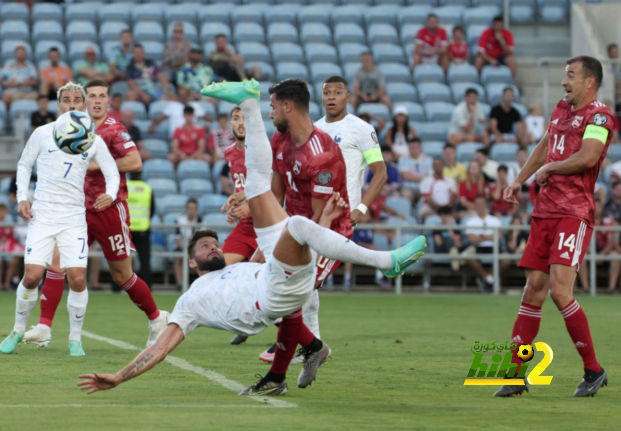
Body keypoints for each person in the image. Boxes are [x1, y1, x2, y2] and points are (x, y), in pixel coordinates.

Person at [77, 78, 426, 397]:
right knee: (295, 231)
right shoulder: (188, 303)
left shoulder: (238, 267)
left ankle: (249, 103)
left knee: (264, 193)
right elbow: (159, 348)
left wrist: (284, 234)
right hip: (273, 294)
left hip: (279, 276)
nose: (213, 245)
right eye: (204, 246)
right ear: (192, 262)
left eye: (214, 242)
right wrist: (119, 377)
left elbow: (269, 223)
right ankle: (383, 265)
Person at [496, 56, 614, 398]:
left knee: (561, 291)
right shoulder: (561, 109)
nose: (565, 82)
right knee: (533, 291)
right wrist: (520, 178)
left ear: (589, 82)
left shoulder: (600, 115)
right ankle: (516, 375)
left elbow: (590, 156)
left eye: (571, 76)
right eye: (565, 75)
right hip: (545, 211)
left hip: (573, 213)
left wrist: (551, 170)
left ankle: (593, 370)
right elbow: (546, 145)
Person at [22, 80, 170, 351]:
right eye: (92, 96)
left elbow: (135, 162)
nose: (98, 101)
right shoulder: (72, 128)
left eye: (103, 96)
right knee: (57, 265)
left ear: (109, 101)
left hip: (108, 210)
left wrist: (92, 165)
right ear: (84, 100)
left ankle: (157, 318)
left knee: (121, 276)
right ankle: (44, 327)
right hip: (76, 210)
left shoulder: (115, 129)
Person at [0, 82, 120, 356]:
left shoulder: (92, 139)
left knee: (77, 278)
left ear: (84, 104)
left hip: (73, 218)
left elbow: (112, 172)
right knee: (31, 277)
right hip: (42, 216)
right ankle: (18, 329)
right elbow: (24, 165)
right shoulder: (43, 133)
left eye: (78, 100)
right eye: (67, 100)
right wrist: (22, 198)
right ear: (59, 105)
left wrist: (111, 194)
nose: (73, 105)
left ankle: (75, 340)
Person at [263, 78, 353, 362]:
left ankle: (305, 347)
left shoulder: (322, 154)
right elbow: (276, 197)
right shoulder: (279, 138)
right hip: (294, 226)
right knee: (272, 286)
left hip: (329, 232)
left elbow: (320, 219)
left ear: (287, 106)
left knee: (296, 286)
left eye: (273, 106)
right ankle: (308, 346)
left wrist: (295, 248)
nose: (270, 113)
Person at [315, 76, 388, 227]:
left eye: (337, 92)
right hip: (315, 212)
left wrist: (361, 209)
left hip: (344, 213)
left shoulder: (362, 129)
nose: (331, 97)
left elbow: (380, 172)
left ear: (348, 97)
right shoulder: (314, 129)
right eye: (327, 93)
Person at [220, 107, 259, 268]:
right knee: (217, 270)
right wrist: (235, 206)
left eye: (245, 118)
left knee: (265, 281)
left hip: (264, 226)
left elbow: (272, 187)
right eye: (236, 118)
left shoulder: (260, 151)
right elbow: (240, 186)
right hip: (244, 227)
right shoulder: (229, 152)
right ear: (231, 124)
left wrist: (249, 206)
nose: (241, 123)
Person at [578, 201, 621, 294]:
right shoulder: (584, 220)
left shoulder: (607, 221)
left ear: (602, 209)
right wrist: (593, 252)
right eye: (594, 207)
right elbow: (582, 241)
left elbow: (611, 242)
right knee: (581, 257)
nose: (596, 209)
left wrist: (601, 254)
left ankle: (612, 288)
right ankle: (586, 288)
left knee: (616, 256)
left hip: (605, 250)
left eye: (599, 207)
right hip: (588, 249)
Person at [465, 195, 502, 292]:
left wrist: (481, 237)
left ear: (486, 205)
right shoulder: (470, 221)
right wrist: (490, 237)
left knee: (507, 258)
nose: (480, 206)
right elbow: (471, 238)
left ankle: (487, 277)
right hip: (479, 248)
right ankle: (488, 277)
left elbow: (499, 236)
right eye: (478, 204)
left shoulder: (495, 220)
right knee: (469, 257)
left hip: (494, 247)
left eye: (482, 204)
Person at [126, 173, 153, 288]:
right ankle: (146, 286)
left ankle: (117, 287)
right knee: (144, 261)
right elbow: (152, 209)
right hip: (142, 230)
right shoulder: (146, 188)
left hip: (126, 230)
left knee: (121, 260)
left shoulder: (123, 186)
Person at [173, 199, 199, 286]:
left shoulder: (200, 221)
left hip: (196, 248)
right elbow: (177, 239)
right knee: (177, 256)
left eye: (194, 208)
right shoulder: (179, 221)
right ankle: (180, 283)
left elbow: (203, 239)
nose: (192, 211)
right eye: (190, 208)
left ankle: (202, 283)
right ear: (186, 209)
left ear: (197, 210)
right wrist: (185, 248)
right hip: (182, 246)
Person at [398, 138, 433, 202]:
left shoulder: (428, 160)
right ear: (409, 148)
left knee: (431, 195)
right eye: (412, 147)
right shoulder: (403, 159)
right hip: (408, 187)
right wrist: (423, 178)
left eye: (416, 147)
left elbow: (431, 177)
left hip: (424, 187)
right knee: (407, 195)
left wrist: (413, 177)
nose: (414, 150)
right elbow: (406, 177)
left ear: (420, 148)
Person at [432, 205, 464, 271]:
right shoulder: (437, 228)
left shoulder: (455, 228)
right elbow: (438, 243)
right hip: (442, 249)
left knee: (467, 245)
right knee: (448, 239)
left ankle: (455, 255)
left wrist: (450, 229)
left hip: (455, 247)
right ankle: (459, 258)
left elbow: (458, 242)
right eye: (443, 215)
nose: (445, 217)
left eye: (447, 215)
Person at [608, 44, 621, 112]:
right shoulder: (608, 66)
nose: (616, 53)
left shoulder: (617, 66)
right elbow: (611, 81)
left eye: (617, 51)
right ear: (609, 53)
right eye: (614, 52)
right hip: (614, 97)